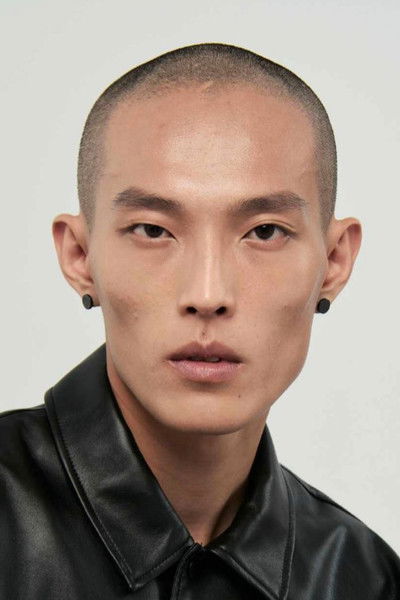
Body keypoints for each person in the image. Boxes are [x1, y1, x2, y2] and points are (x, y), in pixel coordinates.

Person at [1, 42, 399, 600]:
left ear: (334, 262)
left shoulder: (364, 578)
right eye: (152, 230)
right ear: (79, 256)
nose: (207, 295)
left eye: (264, 232)